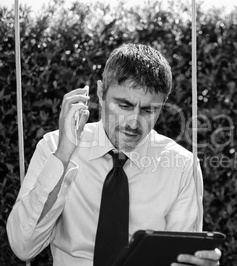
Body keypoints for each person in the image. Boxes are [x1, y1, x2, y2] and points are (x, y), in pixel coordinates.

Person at [7, 43, 221, 266]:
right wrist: (63, 155)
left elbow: (180, 258)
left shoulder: (182, 166)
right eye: (124, 105)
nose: (134, 122)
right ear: (101, 92)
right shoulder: (53, 146)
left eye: (149, 110)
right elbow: (24, 247)